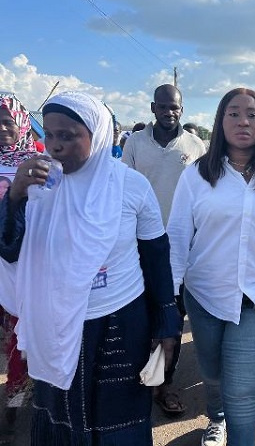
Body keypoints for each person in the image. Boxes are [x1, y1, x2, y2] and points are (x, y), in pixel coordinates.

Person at [0, 91, 180, 444]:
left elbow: (157, 258)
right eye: (48, 134)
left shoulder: (130, 186)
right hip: (56, 323)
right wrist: (16, 196)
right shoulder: (40, 184)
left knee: (119, 415)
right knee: (60, 415)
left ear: (96, 136)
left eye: (67, 135)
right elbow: (9, 250)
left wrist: (167, 325)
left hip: (119, 322)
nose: (54, 145)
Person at [167, 87, 255, 446]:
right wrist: (169, 296)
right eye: (233, 113)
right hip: (206, 296)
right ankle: (216, 418)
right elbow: (179, 237)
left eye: (253, 114)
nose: (243, 121)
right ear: (220, 121)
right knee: (213, 373)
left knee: (241, 391)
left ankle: (234, 429)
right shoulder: (197, 176)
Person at [123, 84, 206, 416]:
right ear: (153, 107)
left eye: (175, 107)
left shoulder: (195, 146)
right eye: (163, 106)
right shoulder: (135, 144)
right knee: (139, 318)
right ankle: (138, 381)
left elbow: (204, 195)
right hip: (139, 247)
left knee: (171, 320)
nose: (169, 111)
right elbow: (124, 192)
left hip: (181, 250)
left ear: (181, 110)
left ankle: (163, 383)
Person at [0, 93, 38, 433]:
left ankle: (13, 406)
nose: (2, 129)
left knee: (21, 339)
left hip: (26, 267)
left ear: (22, 123)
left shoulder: (41, 165)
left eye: (7, 121)